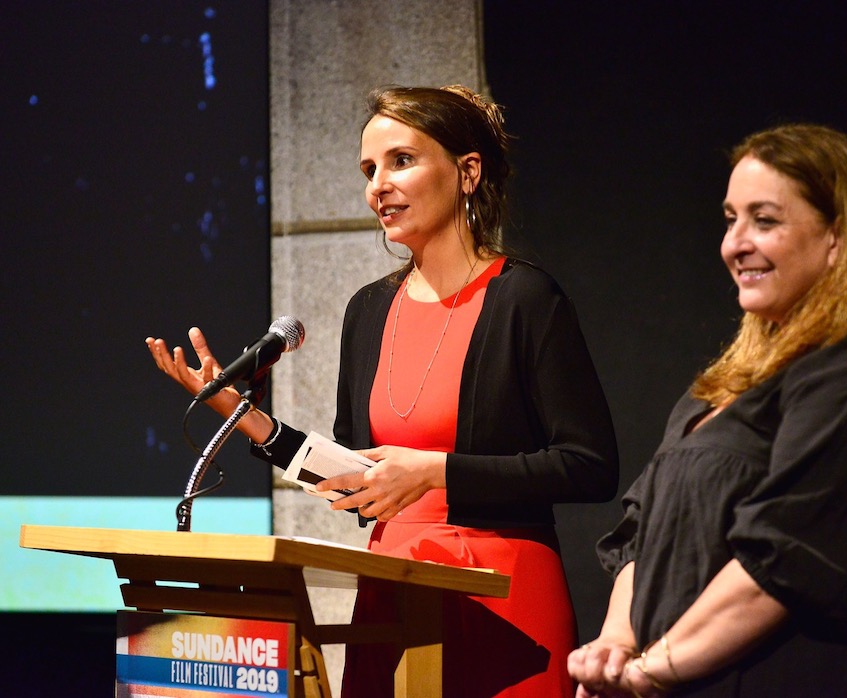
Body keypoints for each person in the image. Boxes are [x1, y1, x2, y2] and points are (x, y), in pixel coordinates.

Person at [146, 84, 619, 697]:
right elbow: (357, 482)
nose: (378, 186)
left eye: (401, 160)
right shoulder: (368, 310)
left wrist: (434, 471)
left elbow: (589, 466)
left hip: (501, 595)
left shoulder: (525, 298)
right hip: (392, 591)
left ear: (468, 172)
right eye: (369, 169)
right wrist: (245, 418)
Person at [568, 124, 847, 697]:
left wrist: (648, 672)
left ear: (838, 236)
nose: (734, 244)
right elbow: (643, 534)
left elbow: (788, 560)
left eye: (764, 220)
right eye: (730, 219)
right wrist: (616, 646)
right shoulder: (722, 387)